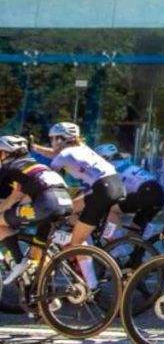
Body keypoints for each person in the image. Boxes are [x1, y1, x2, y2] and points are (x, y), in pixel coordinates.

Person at [32, 123, 126, 289]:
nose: (51, 142)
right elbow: (55, 152)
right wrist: (34, 147)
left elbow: (47, 178)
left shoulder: (65, 154)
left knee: (77, 241)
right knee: (71, 208)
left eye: (52, 138)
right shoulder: (80, 147)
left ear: (60, 139)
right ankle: (110, 248)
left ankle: (90, 285)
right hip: (114, 185)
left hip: (101, 190)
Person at [0, 135, 73, 283]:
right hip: (65, 203)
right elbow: (19, 195)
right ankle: (46, 296)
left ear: (9, 153)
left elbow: (13, 199)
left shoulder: (10, 168)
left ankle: (20, 262)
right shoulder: (34, 166)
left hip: (47, 205)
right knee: (38, 252)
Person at [94, 144, 164, 240]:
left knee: (110, 209)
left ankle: (115, 241)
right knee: (133, 233)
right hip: (159, 194)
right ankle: (139, 250)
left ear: (104, 157)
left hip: (146, 193)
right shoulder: (126, 163)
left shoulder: (110, 168)